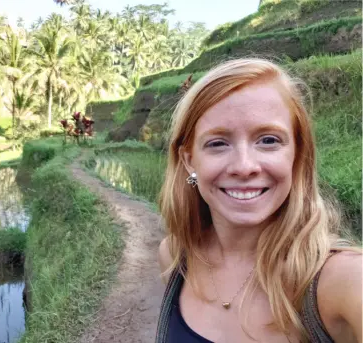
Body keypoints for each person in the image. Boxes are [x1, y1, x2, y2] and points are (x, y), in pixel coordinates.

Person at [155, 58, 362, 343]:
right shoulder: (177, 257)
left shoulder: (343, 281)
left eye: (268, 140)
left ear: (297, 153)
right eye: (218, 143)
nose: (244, 166)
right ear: (189, 161)